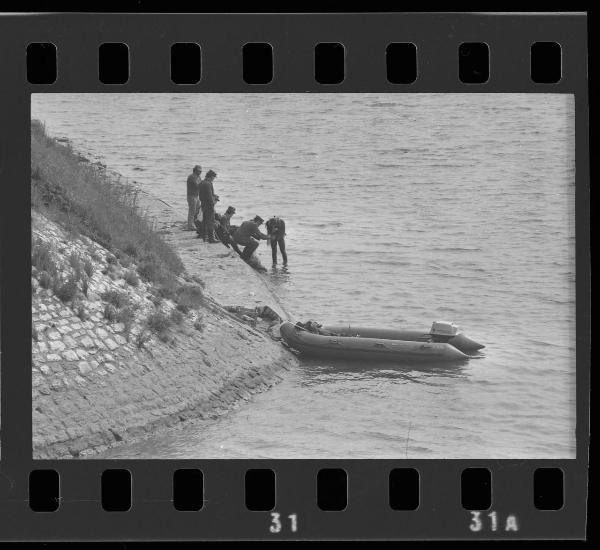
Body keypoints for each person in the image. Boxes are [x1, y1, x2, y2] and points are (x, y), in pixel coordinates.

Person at [198, 169, 219, 242]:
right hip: (209, 205)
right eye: (213, 178)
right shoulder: (208, 183)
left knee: (205, 221)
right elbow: (210, 197)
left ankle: (204, 236)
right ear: (210, 177)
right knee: (211, 221)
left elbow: (201, 195)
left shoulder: (202, 183)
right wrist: (213, 203)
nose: (213, 179)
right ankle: (211, 238)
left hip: (203, 204)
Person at [186, 165, 202, 230]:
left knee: (197, 210)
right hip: (191, 196)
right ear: (195, 170)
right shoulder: (192, 177)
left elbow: (200, 185)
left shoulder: (198, 177)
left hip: (196, 196)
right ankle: (190, 225)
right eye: (199, 171)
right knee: (192, 211)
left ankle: (194, 223)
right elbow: (197, 186)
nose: (200, 172)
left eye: (201, 171)